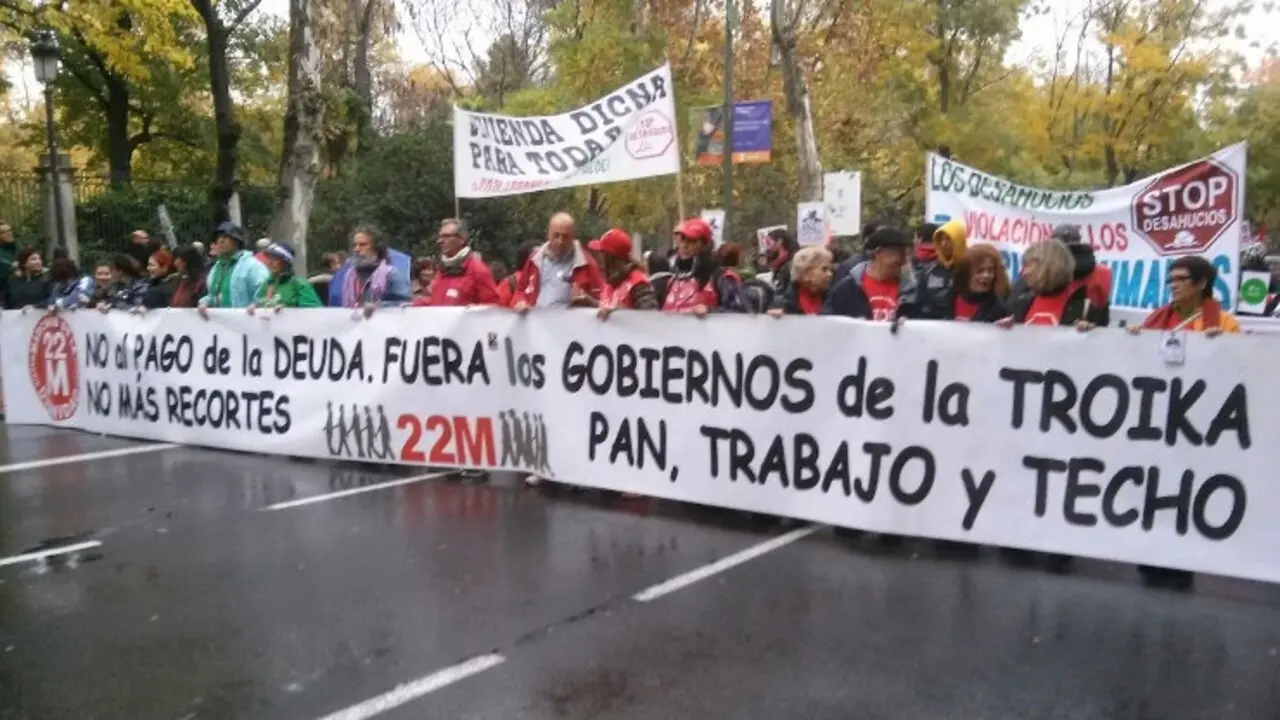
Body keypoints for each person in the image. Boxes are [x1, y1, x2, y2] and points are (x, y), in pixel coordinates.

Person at [1127, 255, 1237, 589]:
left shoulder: (1225, 325)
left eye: (1181, 279)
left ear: (1202, 284)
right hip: (1158, 423)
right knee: (1154, 486)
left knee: (1185, 489)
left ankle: (1180, 558)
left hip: (1196, 428)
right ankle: (1151, 552)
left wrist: (1226, 348)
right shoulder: (1158, 319)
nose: (1172, 285)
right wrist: (1131, 341)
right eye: (1170, 279)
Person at [998, 238, 1107, 330]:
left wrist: (1090, 333)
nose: (1024, 273)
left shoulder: (1085, 309)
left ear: (1048, 266)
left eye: (1028, 266)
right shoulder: (1021, 304)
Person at [822, 227, 920, 322]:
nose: (903, 261)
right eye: (899, 253)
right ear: (878, 253)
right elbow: (828, 323)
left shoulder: (910, 290)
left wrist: (909, 324)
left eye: (905, 254)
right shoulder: (847, 289)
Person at [511, 213, 604, 312]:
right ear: (548, 234)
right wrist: (520, 302)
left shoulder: (586, 263)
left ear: (573, 236)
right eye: (556, 235)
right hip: (537, 322)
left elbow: (603, 301)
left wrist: (588, 301)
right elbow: (520, 290)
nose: (560, 241)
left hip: (570, 324)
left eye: (565, 237)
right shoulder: (535, 259)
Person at [663, 217, 744, 314]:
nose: (685, 245)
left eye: (692, 241)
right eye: (683, 240)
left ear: (705, 245)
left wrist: (710, 311)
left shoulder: (722, 278)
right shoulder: (672, 280)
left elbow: (740, 314)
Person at [199, 222, 270, 314]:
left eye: (225, 237)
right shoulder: (216, 268)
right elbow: (213, 295)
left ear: (237, 240)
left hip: (248, 323)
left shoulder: (252, 265)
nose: (221, 241)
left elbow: (266, 293)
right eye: (218, 238)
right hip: (221, 325)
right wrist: (205, 302)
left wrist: (256, 305)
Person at [338, 226, 411, 313]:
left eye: (363, 245)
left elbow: (405, 305)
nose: (357, 249)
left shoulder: (392, 275)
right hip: (357, 324)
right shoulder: (349, 276)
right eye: (354, 245)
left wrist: (378, 307)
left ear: (376, 248)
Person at [430, 218, 500, 306]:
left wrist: (477, 310)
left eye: (446, 236)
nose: (439, 241)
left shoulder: (478, 270)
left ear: (462, 240)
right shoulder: (441, 270)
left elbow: (493, 307)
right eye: (440, 237)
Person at [592, 228, 658, 318]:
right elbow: (607, 306)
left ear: (611, 257)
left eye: (601, 253)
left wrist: (621, 314)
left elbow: (651, 318)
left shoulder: (638, 284)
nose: (598, 258)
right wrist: (590, 302)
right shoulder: (611, 283)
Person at [943, 244, 1010, 322]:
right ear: (966, 272)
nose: (986, 275)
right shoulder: (947, 298)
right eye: (980, 270)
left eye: (991, 270)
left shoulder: (1000, 309)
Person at [249, 241, 322, 311]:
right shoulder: (267, 284)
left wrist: (287, 311)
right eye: (269, 258)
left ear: (286, 262)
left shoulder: (299, 284)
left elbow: (314, 312)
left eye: (275, 258)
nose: (270, 262)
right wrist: (254, 307)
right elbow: (260, 304)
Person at [917, 221, 965, 319]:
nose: (944, 244)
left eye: (948, 239)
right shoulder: (928, 271)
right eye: (941, 240)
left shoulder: (969, 269)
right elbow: (918, 301)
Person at [769, 246, 834, 316]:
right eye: (824, 269)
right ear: (805, 271)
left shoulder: (835, 301)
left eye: (830, 269)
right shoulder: (781, 304)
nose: (830, 274)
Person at [763, 228, 799, 294]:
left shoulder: (794, 259)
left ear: (780, 241)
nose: (767, 247)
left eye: (769, 243)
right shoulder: (773, 258)